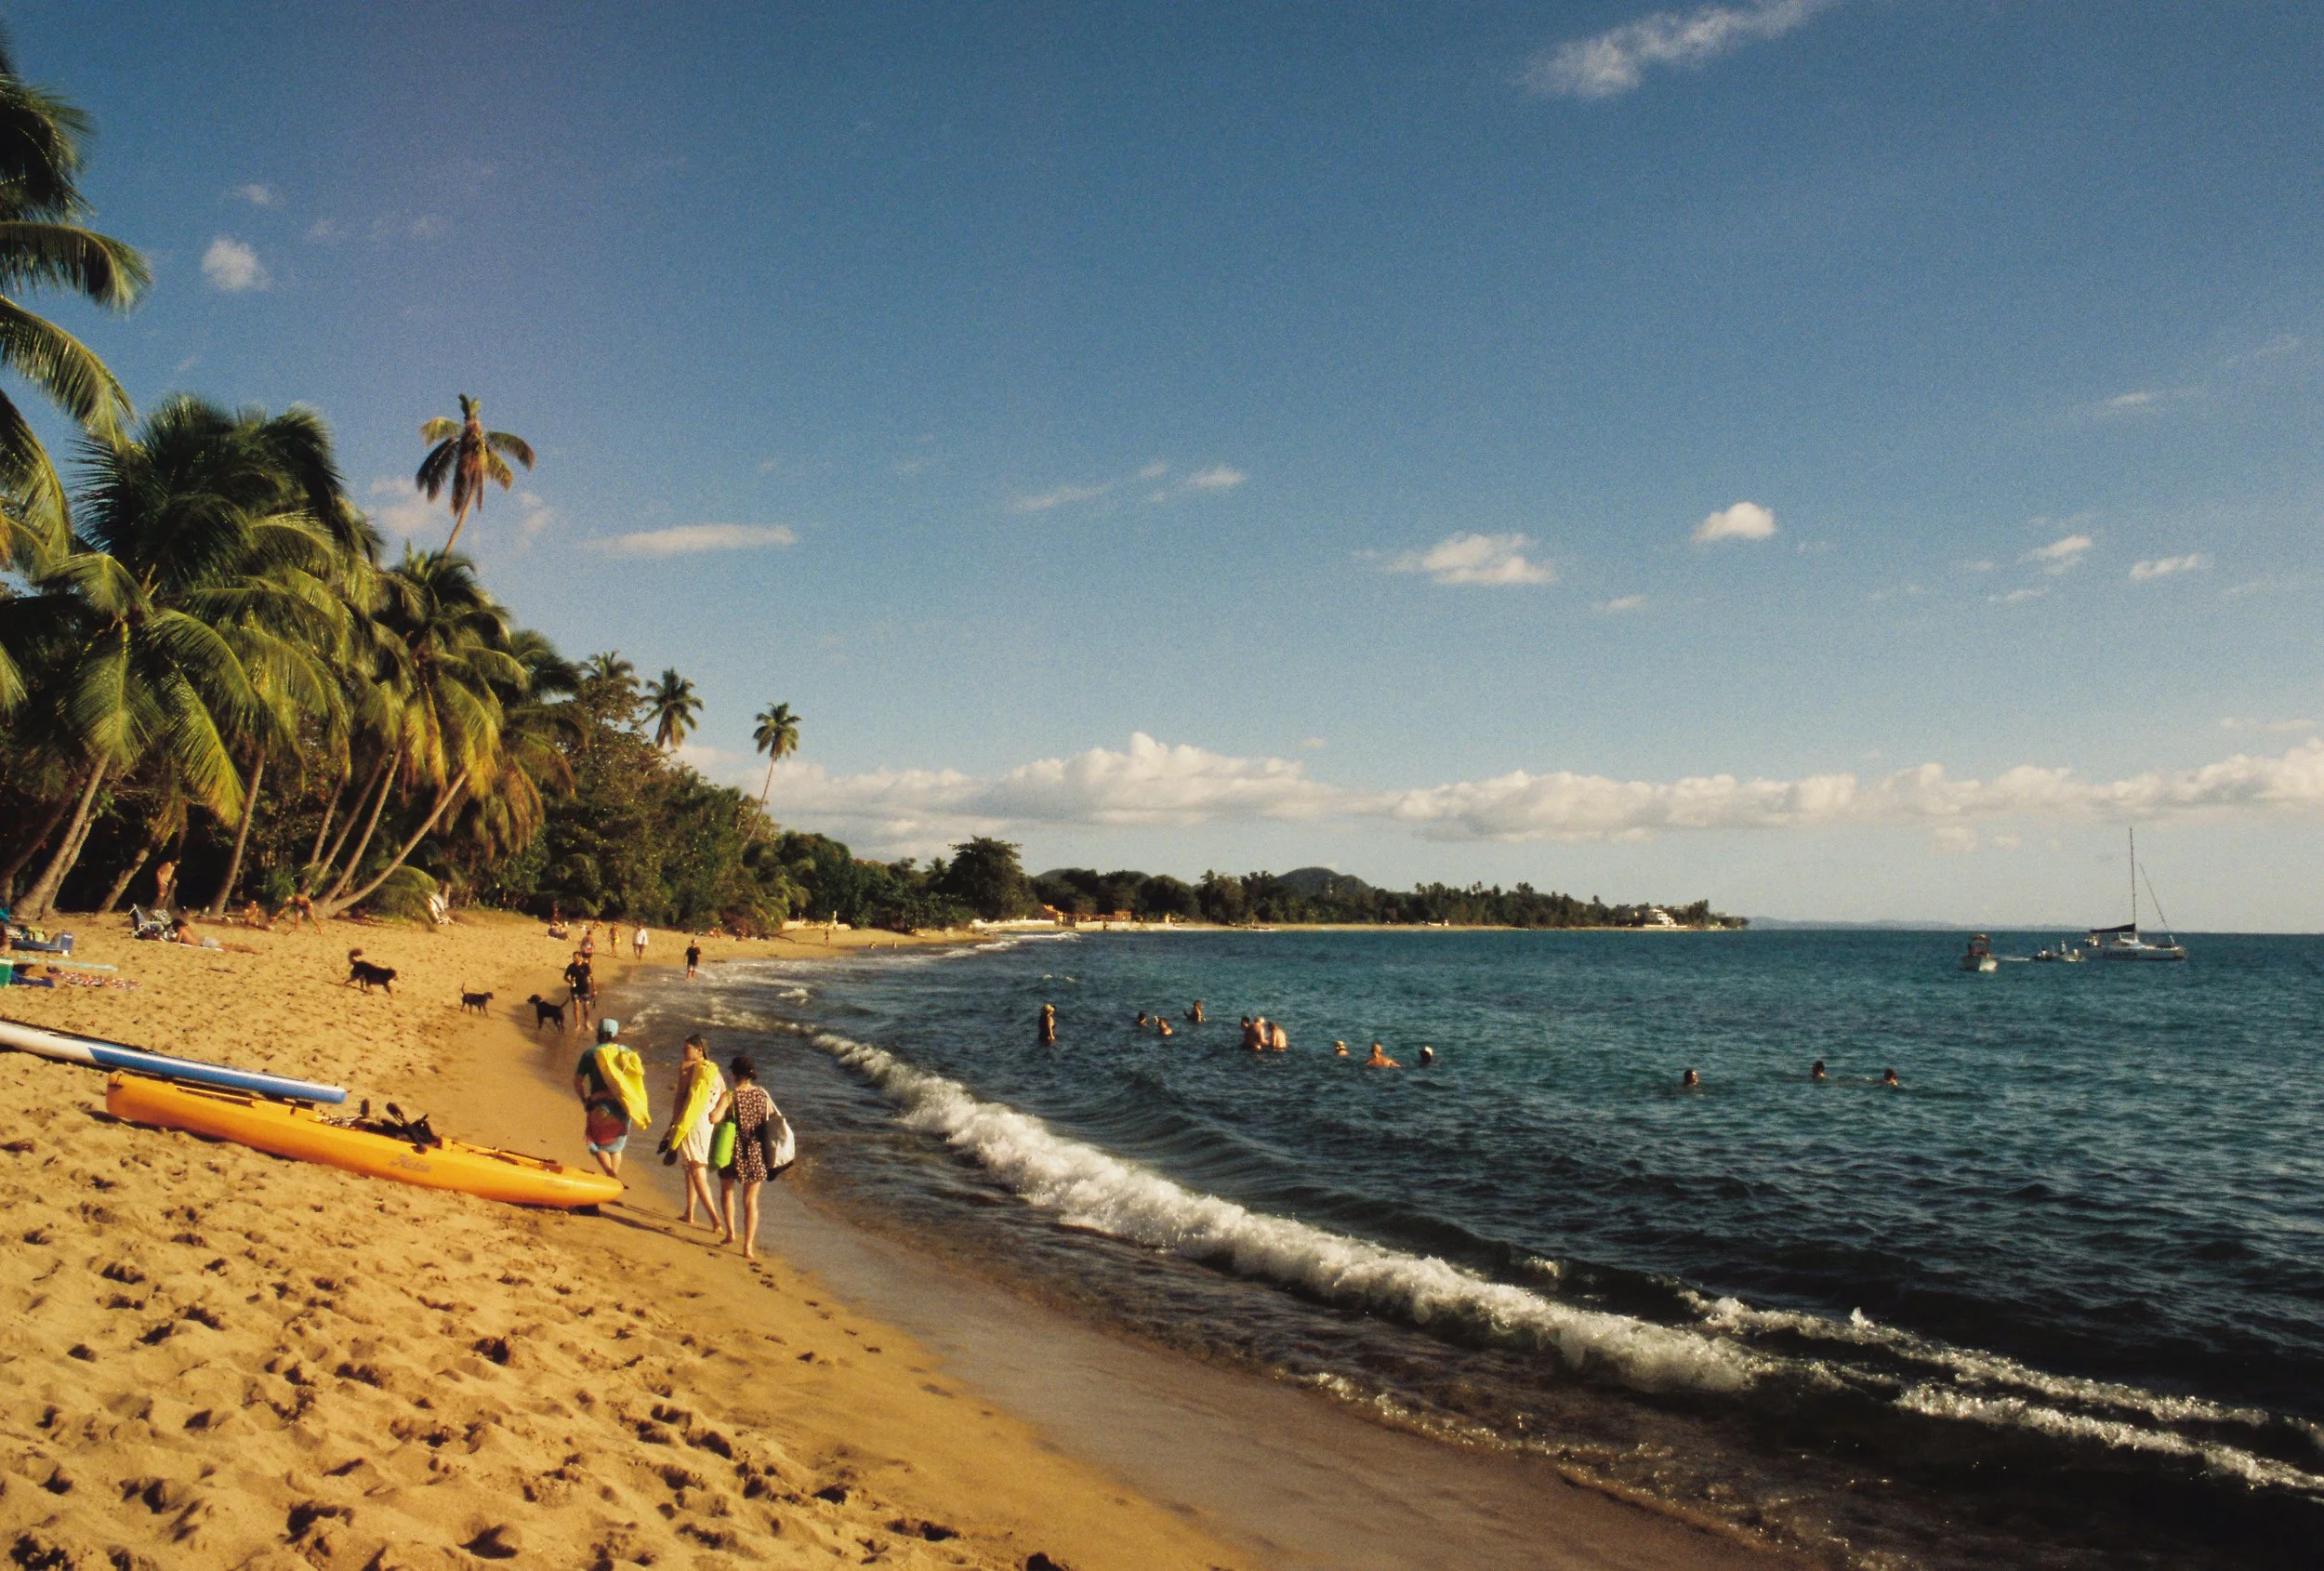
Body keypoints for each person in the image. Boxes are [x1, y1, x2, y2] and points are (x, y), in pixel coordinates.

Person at [710, 1053, 782, 1259]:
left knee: (727, 1190)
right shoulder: (762, 1094)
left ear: (733, 1075)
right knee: (751, 1201)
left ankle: (731, 1232)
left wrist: (715, 1115)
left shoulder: (730, 1096)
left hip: (731, 1149)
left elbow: (714, 1118)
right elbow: (772, 1118)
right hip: (755, 1150)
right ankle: (748, 1246)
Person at [662, 1034, 726, 1229]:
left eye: (686, 1049)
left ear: (700, 1050)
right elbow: (726, 1094)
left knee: (696, 1169)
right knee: (690, 1166)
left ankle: (715, 1219)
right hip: (707, 1123)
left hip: (692, 1121)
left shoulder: (686, 1068)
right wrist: (718, 1111)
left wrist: (674, 1124)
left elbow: (680, 1097)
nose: (683, 1053)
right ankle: (689, 1212)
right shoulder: (713, 1069)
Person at [574, 1018, 647, 1178]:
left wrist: (585, 1099)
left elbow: (577, 1082)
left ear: (599, 1033)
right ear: (616, 1034)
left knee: (597, 1144)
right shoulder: (626, 1053)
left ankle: (610, 1173)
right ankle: (612, 1180)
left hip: (599, 1106)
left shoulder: (591, 1054)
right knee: (616, 1148)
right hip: (623, 1106)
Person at [563, 952, 596, 1027]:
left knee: (586, 1007)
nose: (574, 959)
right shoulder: (571, 967)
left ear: (580, 958)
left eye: (575, 957)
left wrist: (594, 989)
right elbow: (565, 977)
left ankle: (586, 1022)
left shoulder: (586, 966)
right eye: (573, 957)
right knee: (576, 1005)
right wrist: (570, 981)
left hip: (585, 988)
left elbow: (592, 978)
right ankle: (577, 1024)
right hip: (575, 989)